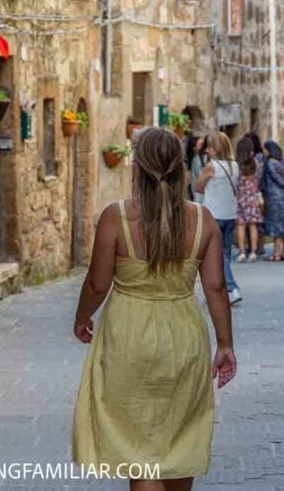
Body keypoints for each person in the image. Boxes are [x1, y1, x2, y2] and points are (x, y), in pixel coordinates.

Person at [72, 127, 237, 489]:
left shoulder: (116, 217)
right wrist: (225, 343)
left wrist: (82, 318)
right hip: (184, 336)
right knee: (179, 441)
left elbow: (97, 284)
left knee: (139, 451)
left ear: (137, 166)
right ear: (181, 167)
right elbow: (215, 287)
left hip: (129, 336)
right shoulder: (203, 220)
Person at [193, 132, 242, 304]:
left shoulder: (211, 166)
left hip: (214, 215)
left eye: (210, 147)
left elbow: (198, 186)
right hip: (230, 214)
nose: (207, 150)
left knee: (217, 256)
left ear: (216, 148)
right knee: (225, 254)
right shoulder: (234, 166)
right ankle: (223, 289)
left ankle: (232, 288)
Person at [260, 140, 284, 261]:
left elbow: (276, 179)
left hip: (274, 198)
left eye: (265, 149)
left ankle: (276, 253)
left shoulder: (270, 163)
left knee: (277, 227)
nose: (264, 152)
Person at [233, 151, 264, 262]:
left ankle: (242, 253)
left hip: (241, 200)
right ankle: (253, 253)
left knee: (240, 226)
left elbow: (234, 183)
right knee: (253, 226)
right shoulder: (255, 167)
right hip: (252, 200)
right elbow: (259, 179)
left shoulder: (238, 169)